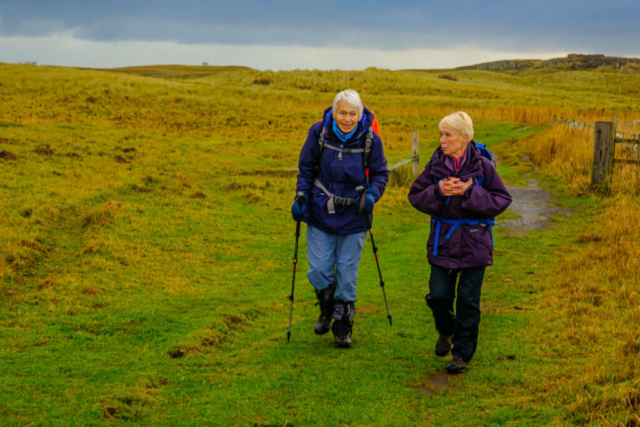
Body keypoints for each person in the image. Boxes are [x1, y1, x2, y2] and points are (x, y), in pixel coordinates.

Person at [408, 111, 512, 373]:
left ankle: (461, 356)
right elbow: (415, 196)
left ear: (464, 138)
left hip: (476, 243)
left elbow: (502, 200)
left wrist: (470, 192)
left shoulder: (484, 167)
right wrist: (437, 191)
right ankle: (446, 329)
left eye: (447, 135)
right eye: (441, 134)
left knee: (468, 300)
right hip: (443, 241)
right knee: (439, 296)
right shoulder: (434, 166)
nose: (442, 140)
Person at [292, 89, 389, 348]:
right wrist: (301, 196)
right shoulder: (319, 132)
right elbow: (305, 167)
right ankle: (326, 308)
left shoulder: (371, 139)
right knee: (320, 270)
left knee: (347, 273)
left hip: (355, 215)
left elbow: (381, 174)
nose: (347, 118)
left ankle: (343, 327)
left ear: (360, 115)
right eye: (342, 113)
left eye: (352, 114)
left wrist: (371, 195)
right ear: (334, 113)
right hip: (320, 211)